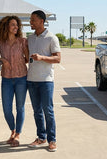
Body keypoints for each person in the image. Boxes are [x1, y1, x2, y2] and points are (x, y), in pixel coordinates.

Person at [0, 16, 29, 147]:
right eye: (13, 25)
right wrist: (2, 60)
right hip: (6, 79)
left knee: (20, 108)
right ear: (6, 27)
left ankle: (17, 135)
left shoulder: (22, 41)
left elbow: (27, 58)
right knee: (6, 109)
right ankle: (13, 129)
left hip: (22, 78)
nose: (16, 27)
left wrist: (22, 58)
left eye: (17, 25)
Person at [27, 10, 61, 152]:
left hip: (46, 80)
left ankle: (52, 140)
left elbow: (58, 58)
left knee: (48, 110)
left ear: (41, 21)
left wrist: (41, 58)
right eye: (30, 20)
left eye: (33, 20)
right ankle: (41, 137)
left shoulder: (51, 38)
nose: (30, 22)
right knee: (37, 111)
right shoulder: (29, 38)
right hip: (31, 79)